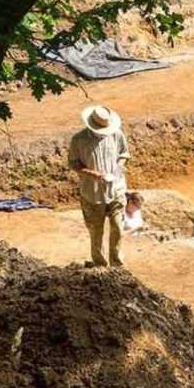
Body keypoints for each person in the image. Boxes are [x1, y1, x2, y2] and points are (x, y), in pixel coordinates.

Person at [68, 105, 130, 267]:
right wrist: (93, 174)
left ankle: (117, 264)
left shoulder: (116, 134)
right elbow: (74, 164)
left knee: (118, 227)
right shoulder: (78, 140)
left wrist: (117, 170)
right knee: (96, 232)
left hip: (116, 189)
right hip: (92, 193)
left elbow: (123, 155)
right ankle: (100, 266)